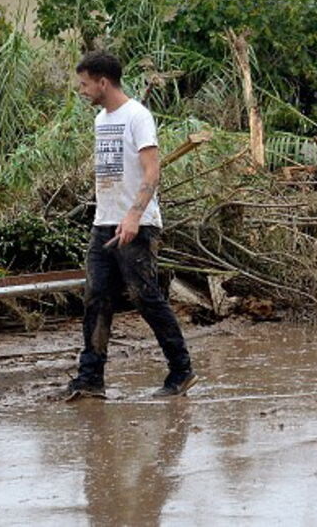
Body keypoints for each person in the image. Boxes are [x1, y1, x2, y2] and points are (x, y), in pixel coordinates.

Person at [67, 51, 196, 399]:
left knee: (146, 297)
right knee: (96, 298)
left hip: (136, 224)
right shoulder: (100, 120)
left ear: (102, 82)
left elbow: (152, 170)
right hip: (104, 223)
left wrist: (134, 216)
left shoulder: (138, 116)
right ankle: (90, 377)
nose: (81, 90)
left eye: (84, 83)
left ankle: (181, 370)